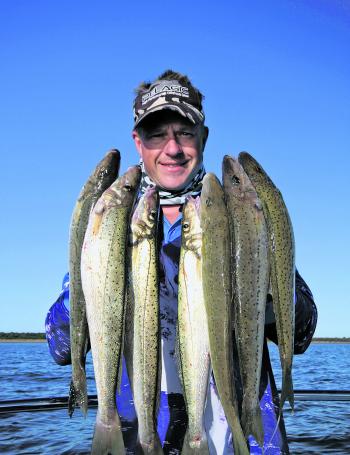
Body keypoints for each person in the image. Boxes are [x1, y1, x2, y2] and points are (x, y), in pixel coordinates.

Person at [45, 70, 317, 454]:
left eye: (184, 132)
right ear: (138, 143)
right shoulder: (113, 225)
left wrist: (261, 286)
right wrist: (94, 285)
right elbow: (59, 348)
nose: (172, 148)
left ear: (202, 138)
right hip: (143, 435)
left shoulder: (240, 217)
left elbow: (303, 332)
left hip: (244, 437)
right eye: (157, 134)